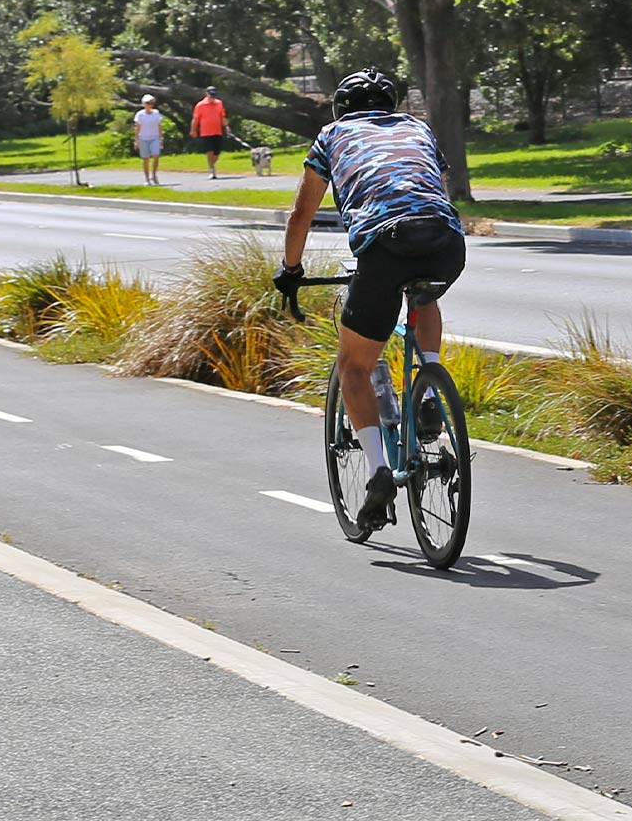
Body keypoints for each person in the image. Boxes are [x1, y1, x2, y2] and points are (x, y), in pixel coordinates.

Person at [273, 68, 464, 531]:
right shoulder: (418, 127)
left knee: (354, 365)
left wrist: (292, 269)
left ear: (341, 107)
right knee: (423, 294)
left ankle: (379, 472)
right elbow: (432, 185)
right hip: (446, 242)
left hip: (384, 246)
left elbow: (303, 212)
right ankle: (431, 382)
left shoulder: (332, 134)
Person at [191, 86, 226, 178]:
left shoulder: (219, 103)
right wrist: (193, 130)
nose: (212, 98)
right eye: (211, 96)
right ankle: (212, 169)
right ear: (206, 94)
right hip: (206, 132)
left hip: (217, 131)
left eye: (214, 96)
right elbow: (195, 119)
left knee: (217, 153)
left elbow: (222, 116)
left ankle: (211, 166)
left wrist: (226, 126)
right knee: (209, 151)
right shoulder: (200, 105)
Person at [132, 95, 165, 184]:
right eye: (147, 103)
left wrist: (161, 138)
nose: (149, 105)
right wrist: (136, 140)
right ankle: (147, 178)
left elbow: (159, 126)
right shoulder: (140, 114)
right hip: (143, 138)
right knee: (145, 158)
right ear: (143, 104)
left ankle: (153, 174)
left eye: (151, 103)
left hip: (154, 137)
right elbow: (137, 127)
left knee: (156, 155)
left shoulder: (156, 113)